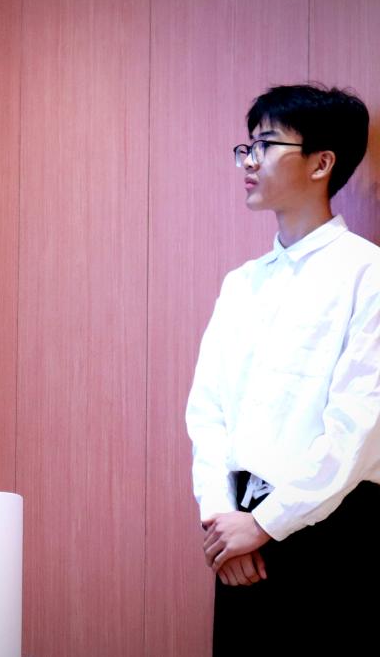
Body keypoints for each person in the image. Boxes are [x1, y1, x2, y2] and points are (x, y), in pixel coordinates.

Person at [187, 84, 379, 654]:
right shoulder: (241, 283)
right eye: (246, 147)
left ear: (321, 163)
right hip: (238, 536)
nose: (249, 161)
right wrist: (222, 519)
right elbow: (207, 412)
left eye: (266, 145)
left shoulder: (367, 273)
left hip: (334, 531)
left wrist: (266, 524)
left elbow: (360, 426)